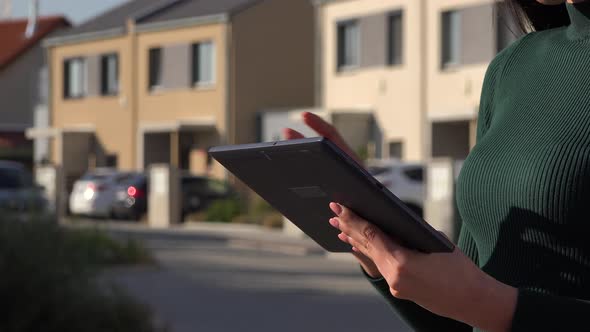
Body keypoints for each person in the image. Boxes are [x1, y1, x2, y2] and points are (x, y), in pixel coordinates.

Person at [284, 0, 590, 331]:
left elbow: (483, 303)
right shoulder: (513, 66)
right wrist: (382, 241)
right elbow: (461, 320)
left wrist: (486, 301)